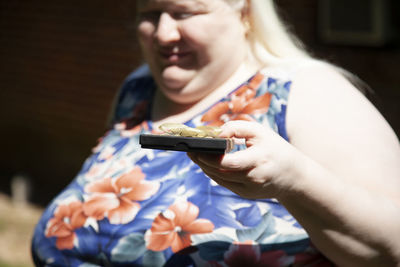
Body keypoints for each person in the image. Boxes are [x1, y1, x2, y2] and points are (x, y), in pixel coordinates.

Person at [31, 0, 400, 266]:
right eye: (149, 14)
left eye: (183, 12)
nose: (163, 32)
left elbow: (392, 246)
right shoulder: (137, 90)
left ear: (244, 12)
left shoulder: (308, 90)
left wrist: (293, 179)